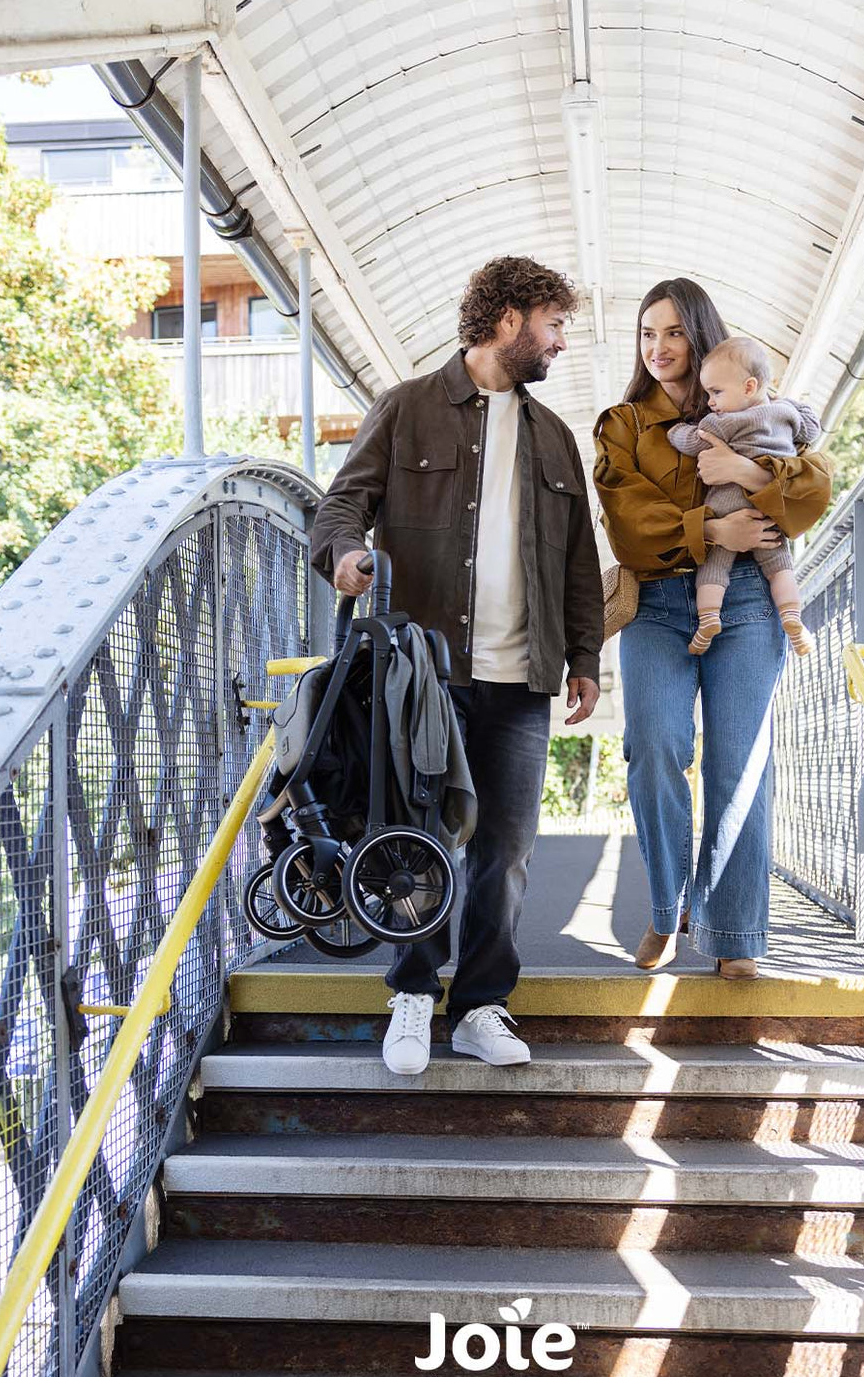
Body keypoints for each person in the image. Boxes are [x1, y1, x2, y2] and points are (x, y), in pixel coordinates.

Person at [311, 255, 603, 1074]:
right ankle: (410, 995)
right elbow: (342, 503)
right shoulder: (407, 409)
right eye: (553, 325)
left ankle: (480, 1006)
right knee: (417, 836)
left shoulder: (553, 436)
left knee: (504, 847)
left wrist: (584, 654)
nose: (559, 344)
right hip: (422, 676)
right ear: (508, 321)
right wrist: (341, 553)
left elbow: (579, 560)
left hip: (521, 675)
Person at [593, 278, 832, 979]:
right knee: (656, 749)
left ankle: (733, 933)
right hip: (658, 607)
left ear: (699, 336)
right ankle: (669, 909)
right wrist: (712, 526)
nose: (659, 347)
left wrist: (742, 474)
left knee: (741, 767)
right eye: (647, 333)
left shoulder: (750, 401)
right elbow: (628, 526)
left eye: (672, 332)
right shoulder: (622, 423)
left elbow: (813, 487)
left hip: (752, 604)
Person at [667, 335, 821, 658]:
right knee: (780, 565)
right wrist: (791, 403)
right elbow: (811, 428)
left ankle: (708, 621)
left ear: (749, 387)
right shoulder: (785, 414)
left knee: (713, 567)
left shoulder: (723, 422)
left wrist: (673, 431)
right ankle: (792, 617)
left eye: (716, 392)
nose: (710, 401)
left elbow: (692, 441)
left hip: (726, 508)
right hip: (768, 510)